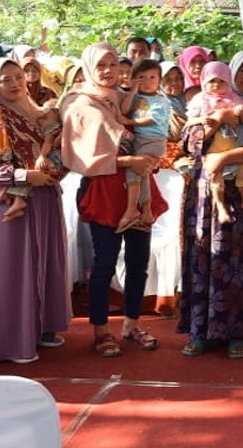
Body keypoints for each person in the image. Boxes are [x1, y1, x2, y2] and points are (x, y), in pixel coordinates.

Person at [61, 44, 163, 359]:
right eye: (100, 65)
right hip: (103, 189)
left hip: (139, 184)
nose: (108, 71)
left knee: (138, 261)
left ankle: (131, 325)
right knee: (104, 263)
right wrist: (128, 161)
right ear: (89, 66)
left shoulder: (124, 98)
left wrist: (147, 158)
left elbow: (154, 130)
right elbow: (79, 153)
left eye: (112, 64)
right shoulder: (76, 102)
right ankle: (101, 331)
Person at [0, 59, 70, 364]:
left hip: (45, 198)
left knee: (46, 261)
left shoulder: (40, 115)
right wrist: (26, 176)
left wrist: (54, 170)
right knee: (13, 270)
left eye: (18, 77)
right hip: (7, 202)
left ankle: (42, 328)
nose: (15, 84)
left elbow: (56, 150)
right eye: (5, 79)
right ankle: (12, 341)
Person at [179, 51, 243, 359]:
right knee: (204, 253)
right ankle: (200, 331)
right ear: (229, 73)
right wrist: (218, 120)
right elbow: (190, 144)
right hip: (207, 193)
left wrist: (224, 157)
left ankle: (241, 333)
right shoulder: (203, 103)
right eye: (242, 70)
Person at [185, 61, 243, 224]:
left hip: (232, 148)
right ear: (204, 81)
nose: (216, 85)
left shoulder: (232, 98)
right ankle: (221, 207)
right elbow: (190, 132)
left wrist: (239, 112)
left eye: (221, 81)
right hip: (212, 152)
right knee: (216, 178)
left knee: (242, 172)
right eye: (212, 81)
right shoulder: (200, 99)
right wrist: (216, 117)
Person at [118, 59, 171, 229]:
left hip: (154, 141)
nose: (147, 82)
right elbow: (124, 109)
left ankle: (133, 208)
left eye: (152, 77)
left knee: (135, 169)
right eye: (141, 77)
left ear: (159, 80)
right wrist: (133, 91)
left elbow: (151, 119)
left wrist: (130, 122)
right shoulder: (136, 96)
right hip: (140, 141)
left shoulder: (160, 100)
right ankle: (144, 211)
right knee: (140, 173)